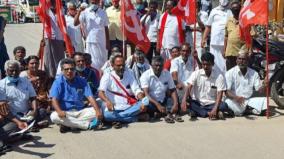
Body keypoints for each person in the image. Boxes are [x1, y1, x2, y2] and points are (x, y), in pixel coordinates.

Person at [49, 58, 102, 133]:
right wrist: (59, 111)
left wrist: (97, 111)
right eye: (66, 69)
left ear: (75, 70)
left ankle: (68, 124)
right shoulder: (58, 82)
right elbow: (54, 100)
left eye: (72, 69)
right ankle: (86, 125)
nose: (69, 71)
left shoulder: (82, 81)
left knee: (97, 111)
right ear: (62, 70)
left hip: (80, 111)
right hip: (66, 113)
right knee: (54, 116)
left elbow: (90, 97)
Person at [98, 54, 148, 128]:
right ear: (112, 66)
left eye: (123, 65)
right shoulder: (107, 76)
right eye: (118, 65)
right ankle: (135, 118)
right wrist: (107, 101)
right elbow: (100, 93)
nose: (121, 67)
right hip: (113, 108)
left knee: (143, 104)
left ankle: (117, 119)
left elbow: (137, 90)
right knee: (107, 115)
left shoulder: (129, 74)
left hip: (128, 107)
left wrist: (143, 100)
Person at [181, 52, 228, 120]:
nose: (205, 67)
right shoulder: (196, 73)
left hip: (212, 104)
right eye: (204, 64)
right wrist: (184, 100)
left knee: (224, 105)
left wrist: (215, 108)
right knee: (188, 103)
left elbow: (220, 93)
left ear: (213, 64)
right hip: (198, 103)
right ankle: (209, 113)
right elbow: (189, 87)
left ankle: (200, 112)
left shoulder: (219, 76)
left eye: (208, 64)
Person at [140, 56, 183, 123]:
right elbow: (146, 94)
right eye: (156, 65)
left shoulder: (167, 73)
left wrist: (175, 103)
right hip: (152, 102)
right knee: (146, 105)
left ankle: (165, 113)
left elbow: (173, 90)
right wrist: (157, 105)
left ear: (163, 65)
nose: (158, 67)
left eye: (160, 65)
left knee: (174, 99)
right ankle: (168, 114)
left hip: (163, 100)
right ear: (151, 65)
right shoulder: (145, 75)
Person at [74, 0, 110, 70]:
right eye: (92, 2)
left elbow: (106, 28)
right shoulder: (85, 12)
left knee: (103, 62)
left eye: (95, 2)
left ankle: (101, 77)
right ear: (90, 1)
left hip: (102, 41)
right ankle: (93, 76)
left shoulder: (103, 12)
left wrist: (107, 42)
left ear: (98, 1)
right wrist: (79, 11)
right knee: (91, 61)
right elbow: (75, 23)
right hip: (90, 41)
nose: (94, 4)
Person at [20, 56, 51, 128]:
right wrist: (29, 81)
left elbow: (48, 89)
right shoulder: (22, 75)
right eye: (32, 63)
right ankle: (34, 124)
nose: (34, 65)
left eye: (36, 63)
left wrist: (49, 102)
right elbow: (20, 91)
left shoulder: (43, 74)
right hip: (26, 103)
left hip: (40, 103)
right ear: (27, 65)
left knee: (42, 112)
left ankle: (30, 124)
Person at [201, 0, 231, 72]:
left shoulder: (230, 11)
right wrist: (203, 39)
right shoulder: (214, 11)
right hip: (215, 42)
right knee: (214, 61)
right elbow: (208, 26)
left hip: (226, 42)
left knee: (225, 62)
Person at [42, 0, 65, 78]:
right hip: (48, 37)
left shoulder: (61, 9)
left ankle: (60, 77)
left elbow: (64, 25)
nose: (52, 2)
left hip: (59, 38)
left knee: (59, 59)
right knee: (49, 60)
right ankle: (49, 78)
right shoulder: (45, 9)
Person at [224, 1, 245, 70]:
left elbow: (251, 37)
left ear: (240, 9)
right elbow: (226, 36)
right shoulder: (229, 21)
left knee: (240, 72)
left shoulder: (245, 20)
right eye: (233, 8)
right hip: (230, 52)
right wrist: (224, 50)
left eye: (237, 8)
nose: (235, 10)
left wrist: (250, 50)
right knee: (230, 73)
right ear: (231, 10)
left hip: (241, 53)